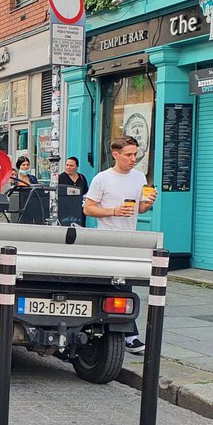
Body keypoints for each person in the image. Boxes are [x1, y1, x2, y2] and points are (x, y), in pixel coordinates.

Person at [82, 136, 158, 354]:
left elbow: (140, 209)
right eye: (128, 155)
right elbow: (88, 209)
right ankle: (128, 335)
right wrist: (113, 211)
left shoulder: (139, 177)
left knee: (123, 284)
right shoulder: (102, 179)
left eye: (135, 154)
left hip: (129, 238)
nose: (133, 159)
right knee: (118, 285)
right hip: (107, 238)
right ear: (115, 155)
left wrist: (148, 202)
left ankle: (118, 332)